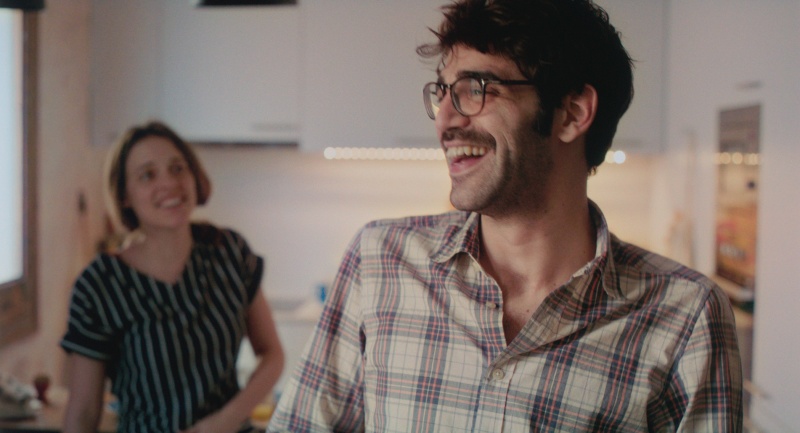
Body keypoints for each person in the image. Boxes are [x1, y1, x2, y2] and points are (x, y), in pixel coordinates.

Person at [268, 0, 743, 432]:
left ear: (572, 113)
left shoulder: (685, 317)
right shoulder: (380, 261)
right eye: (443, 91)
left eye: (476, 89)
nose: (445, 119)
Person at [61, 121, 285, 433]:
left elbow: (272, 354)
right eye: (148, 175)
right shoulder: (100, 285)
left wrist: (221, 423)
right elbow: (84, 412)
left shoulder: (230, 252)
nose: (169, 183)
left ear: (194, 176)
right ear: (124, 196)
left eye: (178, 168)